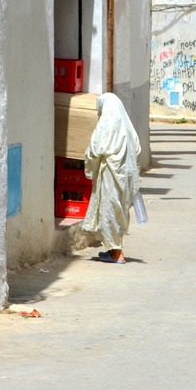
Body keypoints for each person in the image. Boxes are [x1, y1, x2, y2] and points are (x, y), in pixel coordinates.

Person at [82, 93, 141, 264]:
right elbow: (137, 149)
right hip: (126, 175)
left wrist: (89, 166)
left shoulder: (107, 123)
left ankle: (117, 254)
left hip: (111, 175)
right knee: (119, 211)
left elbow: (95, 148)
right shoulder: (127, 126)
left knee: (110, 210)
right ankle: (114, 249)